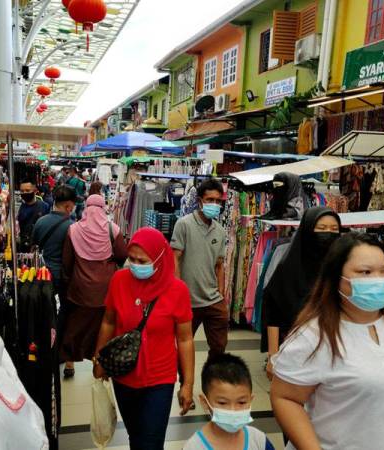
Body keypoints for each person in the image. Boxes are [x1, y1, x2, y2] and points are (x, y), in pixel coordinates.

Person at [270, 232, 384, 450]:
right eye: (365, 272)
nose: (378, 279)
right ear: (336, 278)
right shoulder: (314, 336)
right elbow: (285, 398)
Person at [93, 227, 195, 450]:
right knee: (135, 435)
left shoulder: (177, 290)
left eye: (142, 261)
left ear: (159, 258)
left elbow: (186, 339)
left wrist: (187, 384)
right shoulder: (119, 280)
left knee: (151, 441)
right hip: (124, 375)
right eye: (131, 259)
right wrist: (99, 358)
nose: (136, 266)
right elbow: (108, 321)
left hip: (160, 379)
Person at [264, 207, 341, 380]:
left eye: (334, 229)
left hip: (337, 353)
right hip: (296, 351)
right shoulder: (288, 269)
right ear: (307, 230)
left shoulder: (343, 267)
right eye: (321, 229)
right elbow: (273, 315)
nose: (328, 234)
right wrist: (272, 356)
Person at [61, 194, 128, 377]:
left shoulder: (73, 230)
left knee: (75, 328)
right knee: (103, 329)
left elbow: (67, 262)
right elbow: (122, 255)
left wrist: (68, 282)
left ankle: (69, 364)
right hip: (106, 289)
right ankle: (99, 364)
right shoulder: (112, 230)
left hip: (80, 290)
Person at [171, 178, 228, 359]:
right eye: (210, 200)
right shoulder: (184, 224)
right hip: (188, 300)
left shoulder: (220, 231)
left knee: (219, 347)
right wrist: (178, 293)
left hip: (213, 300)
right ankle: (184, 384)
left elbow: (219, 265)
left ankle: (210, 383)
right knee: (182, 348)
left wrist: (220, 292)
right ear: (200, 201)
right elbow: (174, 258)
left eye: (218, 201)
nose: (215, 204)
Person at [184, 353, 275, 450]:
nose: (233, 410)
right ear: (204, 402)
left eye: (242, 402)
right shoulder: (193, 446)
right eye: (222, 403)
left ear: (250, 400)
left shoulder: (259, 441)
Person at [32, 185, 76, 340]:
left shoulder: (40, 222)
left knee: (42, 312)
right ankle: (56, 345)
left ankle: (43, 341)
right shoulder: (72, 227)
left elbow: (34, 247)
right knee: (60, 312)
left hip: (41, 274)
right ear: (68, 206)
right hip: (61, 277)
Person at [17, 180, 49, 252]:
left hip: (40, 247)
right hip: (23, 247)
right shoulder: (18, 208)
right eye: (22, 191)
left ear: (34, 191)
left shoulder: (44, 206)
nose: (24, 193)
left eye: (27, 190)